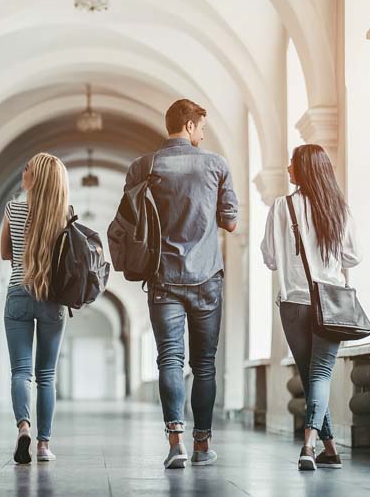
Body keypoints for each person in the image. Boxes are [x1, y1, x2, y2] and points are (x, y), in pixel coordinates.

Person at [124, 99, 239, 469]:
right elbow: (231, 222)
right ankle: (203, 445)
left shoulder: (143, 166)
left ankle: (176, 444)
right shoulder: (216, 164)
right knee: (204, 365)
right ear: (189, 126)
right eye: (201, 127)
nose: (203, 134)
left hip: (163, 278)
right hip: (207, 278)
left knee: (168, 360)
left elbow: (130, 220)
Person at [261, 144, 361, 471]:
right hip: (330, 303)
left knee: (310, 376)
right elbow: (352, 257)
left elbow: (271, 259)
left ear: (304, 170)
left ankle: (320, 447)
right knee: (317, 376)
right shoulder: (338, 208)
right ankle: (315, 446)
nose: (288, 167)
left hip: (293, 303)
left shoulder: (281, 207)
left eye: (292, 163)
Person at [0, 152, 69, 464]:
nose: (22, 172)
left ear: (35, 178)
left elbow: (5, 254)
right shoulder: (64, 214)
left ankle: (23, 428)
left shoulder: (12, 208)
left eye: (26, 168)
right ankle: (43, 445)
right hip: (52, 298)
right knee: (46, 375)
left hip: (18, 293)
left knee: (21, 372)